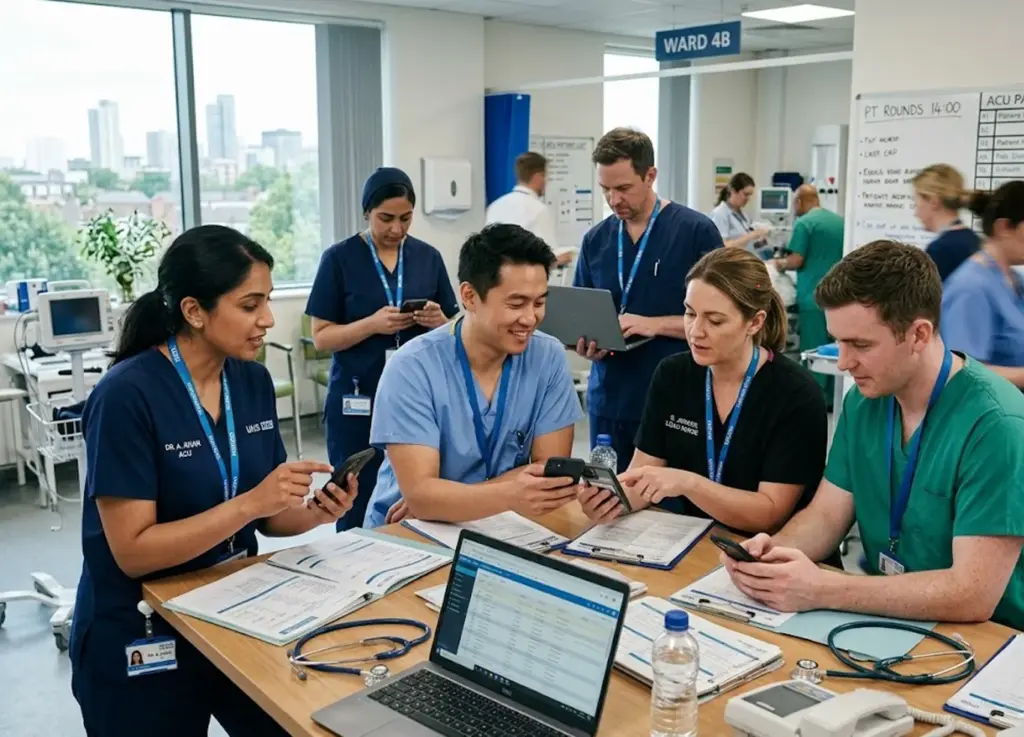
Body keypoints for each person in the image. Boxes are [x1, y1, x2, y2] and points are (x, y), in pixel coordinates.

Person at [70, 225, 359, 737]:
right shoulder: (126, 396)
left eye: (267, 301)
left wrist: (318, 510)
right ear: (194, 311)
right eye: (250, 306)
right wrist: (250, 504)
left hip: (235, 610)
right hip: (143, 627)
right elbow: (133, 552)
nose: (268, 320)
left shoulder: (250, 381)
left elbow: (269, 517)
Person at [722, 240, 1024, 630]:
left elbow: (972, 593)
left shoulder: (996, 424)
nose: (844, 363)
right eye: (838, 342)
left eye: (860, 345)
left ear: (918, 335)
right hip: (892, 618)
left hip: (987, 640)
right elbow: (827, 515)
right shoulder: (865, 403)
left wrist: (824, 588)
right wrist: (772, 552)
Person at [577, 249, 827, 537]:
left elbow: (768, 514)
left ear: (755, 322)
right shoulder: (673, 375)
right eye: (690, 313)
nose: (695, 331)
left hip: (767, 552)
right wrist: (611, 502)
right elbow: (640, 482)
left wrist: (687, 483)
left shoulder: (795, 394)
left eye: (715, 321)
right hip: (694, 542)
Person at [363, 223, 584, 528]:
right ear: (469, 296)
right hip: (409, 530)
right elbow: (422, 496)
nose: (530, 318)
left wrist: (447, 501)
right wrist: (432, 500)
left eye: (540, 302)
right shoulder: (413, 367)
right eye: (516, 303)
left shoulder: (548, 357)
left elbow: (550, 478)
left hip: (503, 523)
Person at [306, 167, 459, 530]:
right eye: (385, 219)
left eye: (405, 218)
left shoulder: (427, 257)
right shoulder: (339, 258)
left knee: (411, 497)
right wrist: (371, 325)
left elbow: (458, 327)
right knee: (354, 496)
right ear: (366, 213)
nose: (396, 229)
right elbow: (321, 337)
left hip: (417, 398)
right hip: (358, 398)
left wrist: (441, 321)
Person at [573, 128, 723, 471]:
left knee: (672, 509)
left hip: (676, 400)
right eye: (605, 190)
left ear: (650, 175)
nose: (614, 200)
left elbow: (724, 319)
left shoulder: (695, 232)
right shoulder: (596, 240)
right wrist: (583, 344)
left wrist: (652, 325)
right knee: (610, 501)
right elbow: (581, 314)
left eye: (623, 188)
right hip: (609, 399)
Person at [942, 182, 1024, 389]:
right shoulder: (970, 288)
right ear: (1003, 227)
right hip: (991, 415)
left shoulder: (1015, 281)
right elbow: (962, 372)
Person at [774, 184, 845, 401]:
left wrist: (778, 264)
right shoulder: (839, 222)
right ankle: (833, 399)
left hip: (813, 297)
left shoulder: (805, 223)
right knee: (836, 349)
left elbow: (797, 260)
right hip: (840, 296)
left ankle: (816, 400)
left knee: (814, 349)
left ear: (799, 202)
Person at [485, 151, 575, 269]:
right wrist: (569, 256)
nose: (546, 181)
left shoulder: (495, 206)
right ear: (538, 176)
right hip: (525, 282)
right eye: (545, 176)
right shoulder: (538, 210)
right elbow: (547, 258)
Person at [913, 164, 980, 282]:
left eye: (916, 204)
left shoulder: (939, 250)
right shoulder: (975, 240)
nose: (916, 213)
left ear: (934, 202)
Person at [710, 172, 771, 251]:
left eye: (750, 195)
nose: (748, 198)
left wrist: (764, 241)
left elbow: (748, 246)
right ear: (733, 191)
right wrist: (752, 235)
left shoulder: (743, 216)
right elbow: (721, 247)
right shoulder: (720, 214)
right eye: (745, 194)